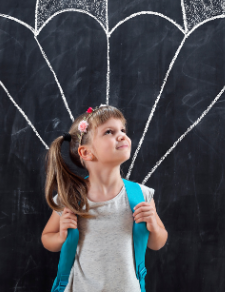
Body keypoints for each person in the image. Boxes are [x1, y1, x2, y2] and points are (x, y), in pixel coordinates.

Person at [41, 105, 168, 291]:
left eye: (123, 130)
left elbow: (157, 243)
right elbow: (47, 238)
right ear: (86, 152)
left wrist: (154, 226)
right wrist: (60, 237)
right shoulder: (70, 198)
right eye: (109, 131)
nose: (122, 135)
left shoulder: (141, 195)